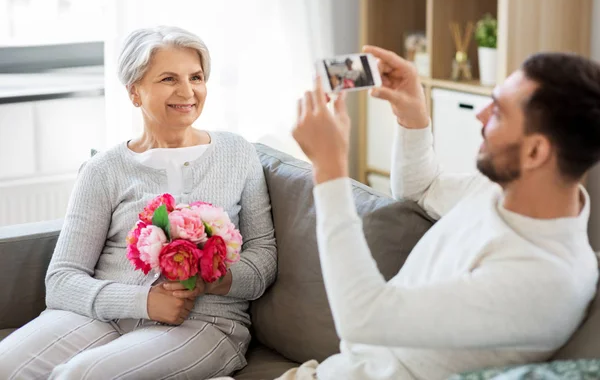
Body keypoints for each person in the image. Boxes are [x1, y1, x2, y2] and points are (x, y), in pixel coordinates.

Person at [287, 45, 600, 380]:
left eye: (498, 112)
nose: (480, 114)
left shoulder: (546, 279)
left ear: (536, 151)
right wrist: (413, 117)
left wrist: (329, 169)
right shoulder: (505, 190)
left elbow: (361, 319)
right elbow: (422, 190)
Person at [0, 26, 277, 380]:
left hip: (202, 323)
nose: (187, 91)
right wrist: (143, 302)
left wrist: (210, 281)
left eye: (196, 77)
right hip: (106, 315)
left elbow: (263, 258)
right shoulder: (104, 169)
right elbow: (62, 281)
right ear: (134, 92)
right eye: (168, 79)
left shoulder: (237, 153)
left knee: (82, 376)